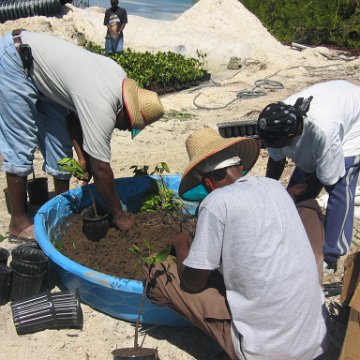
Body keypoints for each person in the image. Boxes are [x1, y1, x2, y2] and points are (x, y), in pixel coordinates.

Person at [144, 128, 328, 360]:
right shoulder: (274, 187)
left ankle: (232, 340)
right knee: (308, 209)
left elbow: (191, 284)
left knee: (156, 271)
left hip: (266, 352)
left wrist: (182, 245)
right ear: (240, 167)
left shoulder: (216, 202)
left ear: (208, 182)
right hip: (317, 341)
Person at [0, 29, 164, 241]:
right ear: (125, 109)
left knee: (60, 146)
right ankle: (18, 221)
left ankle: (61, 210)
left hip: (42, 77)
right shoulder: (102, 105)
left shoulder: (117, 76)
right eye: (129, 124)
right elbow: (102, 168)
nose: (124, 129)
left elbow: (74, 118)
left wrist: (82, 157)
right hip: (16, 60)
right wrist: (119, 215)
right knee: (21, 142)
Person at [257, 80, 360, 273]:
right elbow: (276, 161)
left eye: (277, 143)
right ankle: (295, 232)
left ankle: (331, 255)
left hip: (355, 124)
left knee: (339, 185)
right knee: (298, 184)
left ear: (290, 136)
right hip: (334, 98)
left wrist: (295, 192)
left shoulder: (323, 131)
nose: (272, 145)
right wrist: (269, 192)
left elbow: (327, 177)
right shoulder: (275, 123)